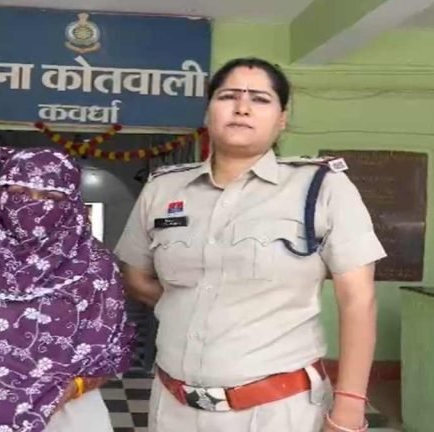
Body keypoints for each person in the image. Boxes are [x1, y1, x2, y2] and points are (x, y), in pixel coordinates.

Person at [114, 57, 386, 432]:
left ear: (282, 119)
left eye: (260, 99)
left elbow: (358, 300)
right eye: (228, 96)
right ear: (208, 111)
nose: (242, 107)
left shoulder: (322, 188)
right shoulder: (163, 189)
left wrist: (350, 406)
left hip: (278, 411)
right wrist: (198, 307)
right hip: (173, 407)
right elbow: (135, 276)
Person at [0, 147, 135, 432]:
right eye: (19, 192)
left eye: (51, 197)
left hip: (73, 419)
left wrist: (69, 389)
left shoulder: (96, 267)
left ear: (72, 203)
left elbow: (108, 352)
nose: (33, 206)